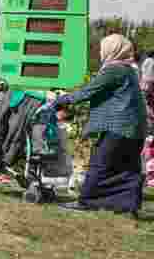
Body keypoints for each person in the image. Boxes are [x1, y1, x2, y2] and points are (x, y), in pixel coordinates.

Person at [55, 34, 146, 218]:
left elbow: (89, 91)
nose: (100, 52)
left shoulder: (114, 70)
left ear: (112, 50)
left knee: (100, 164)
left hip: (118, 126)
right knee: (127, 167)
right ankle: (128, 206)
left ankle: (86, 201)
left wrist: (60, 99)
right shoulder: (130, 70)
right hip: (136, 128)